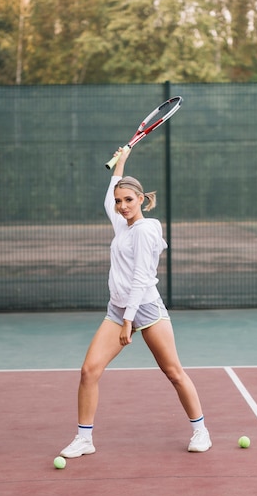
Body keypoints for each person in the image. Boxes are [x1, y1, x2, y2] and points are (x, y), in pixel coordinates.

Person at [60, 146, 212, 458]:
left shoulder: (145, 230)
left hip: (144, 309)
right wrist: (122, 162)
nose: (122, 205)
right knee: (89, 371)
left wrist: (129, 320)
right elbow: (107, 199)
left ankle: (200, 430)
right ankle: (84, 438)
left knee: (173, 372)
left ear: (141, 199)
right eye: (119, 201)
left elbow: (143, 277)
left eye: (128, 199)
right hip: (117, 309)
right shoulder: (121, 224)